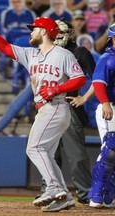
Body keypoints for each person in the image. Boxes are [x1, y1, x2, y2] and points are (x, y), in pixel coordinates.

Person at [0, 4, 86, 211]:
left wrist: (58, 89)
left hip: (55, 107)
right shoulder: (31, 54)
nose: (31, 31)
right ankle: (64, 196)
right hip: (45, 109)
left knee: (34, 148)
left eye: (34, 28)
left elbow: (80, 79)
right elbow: (4, 46)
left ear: (44, 32)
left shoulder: (63, 54)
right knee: (45, 154)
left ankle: (54, 187)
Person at [39, 19, 95, 205]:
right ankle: (48, 191)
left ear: (69, 34)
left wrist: (84, 98)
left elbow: (99, 79)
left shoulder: (80, 52)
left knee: (76, 154)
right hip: (49, 106)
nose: (58, 36)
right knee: (49, 153)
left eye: (61, 33)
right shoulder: (47, 51)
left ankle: (86, 194)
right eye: (56, 32)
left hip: (70, 105)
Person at [84, 23, 115, 208]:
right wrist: (104, 102)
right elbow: (98, 83)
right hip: (110, 106)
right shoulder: (108, 58)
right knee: (111, 150)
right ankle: (96, 194)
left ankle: (109, 195)